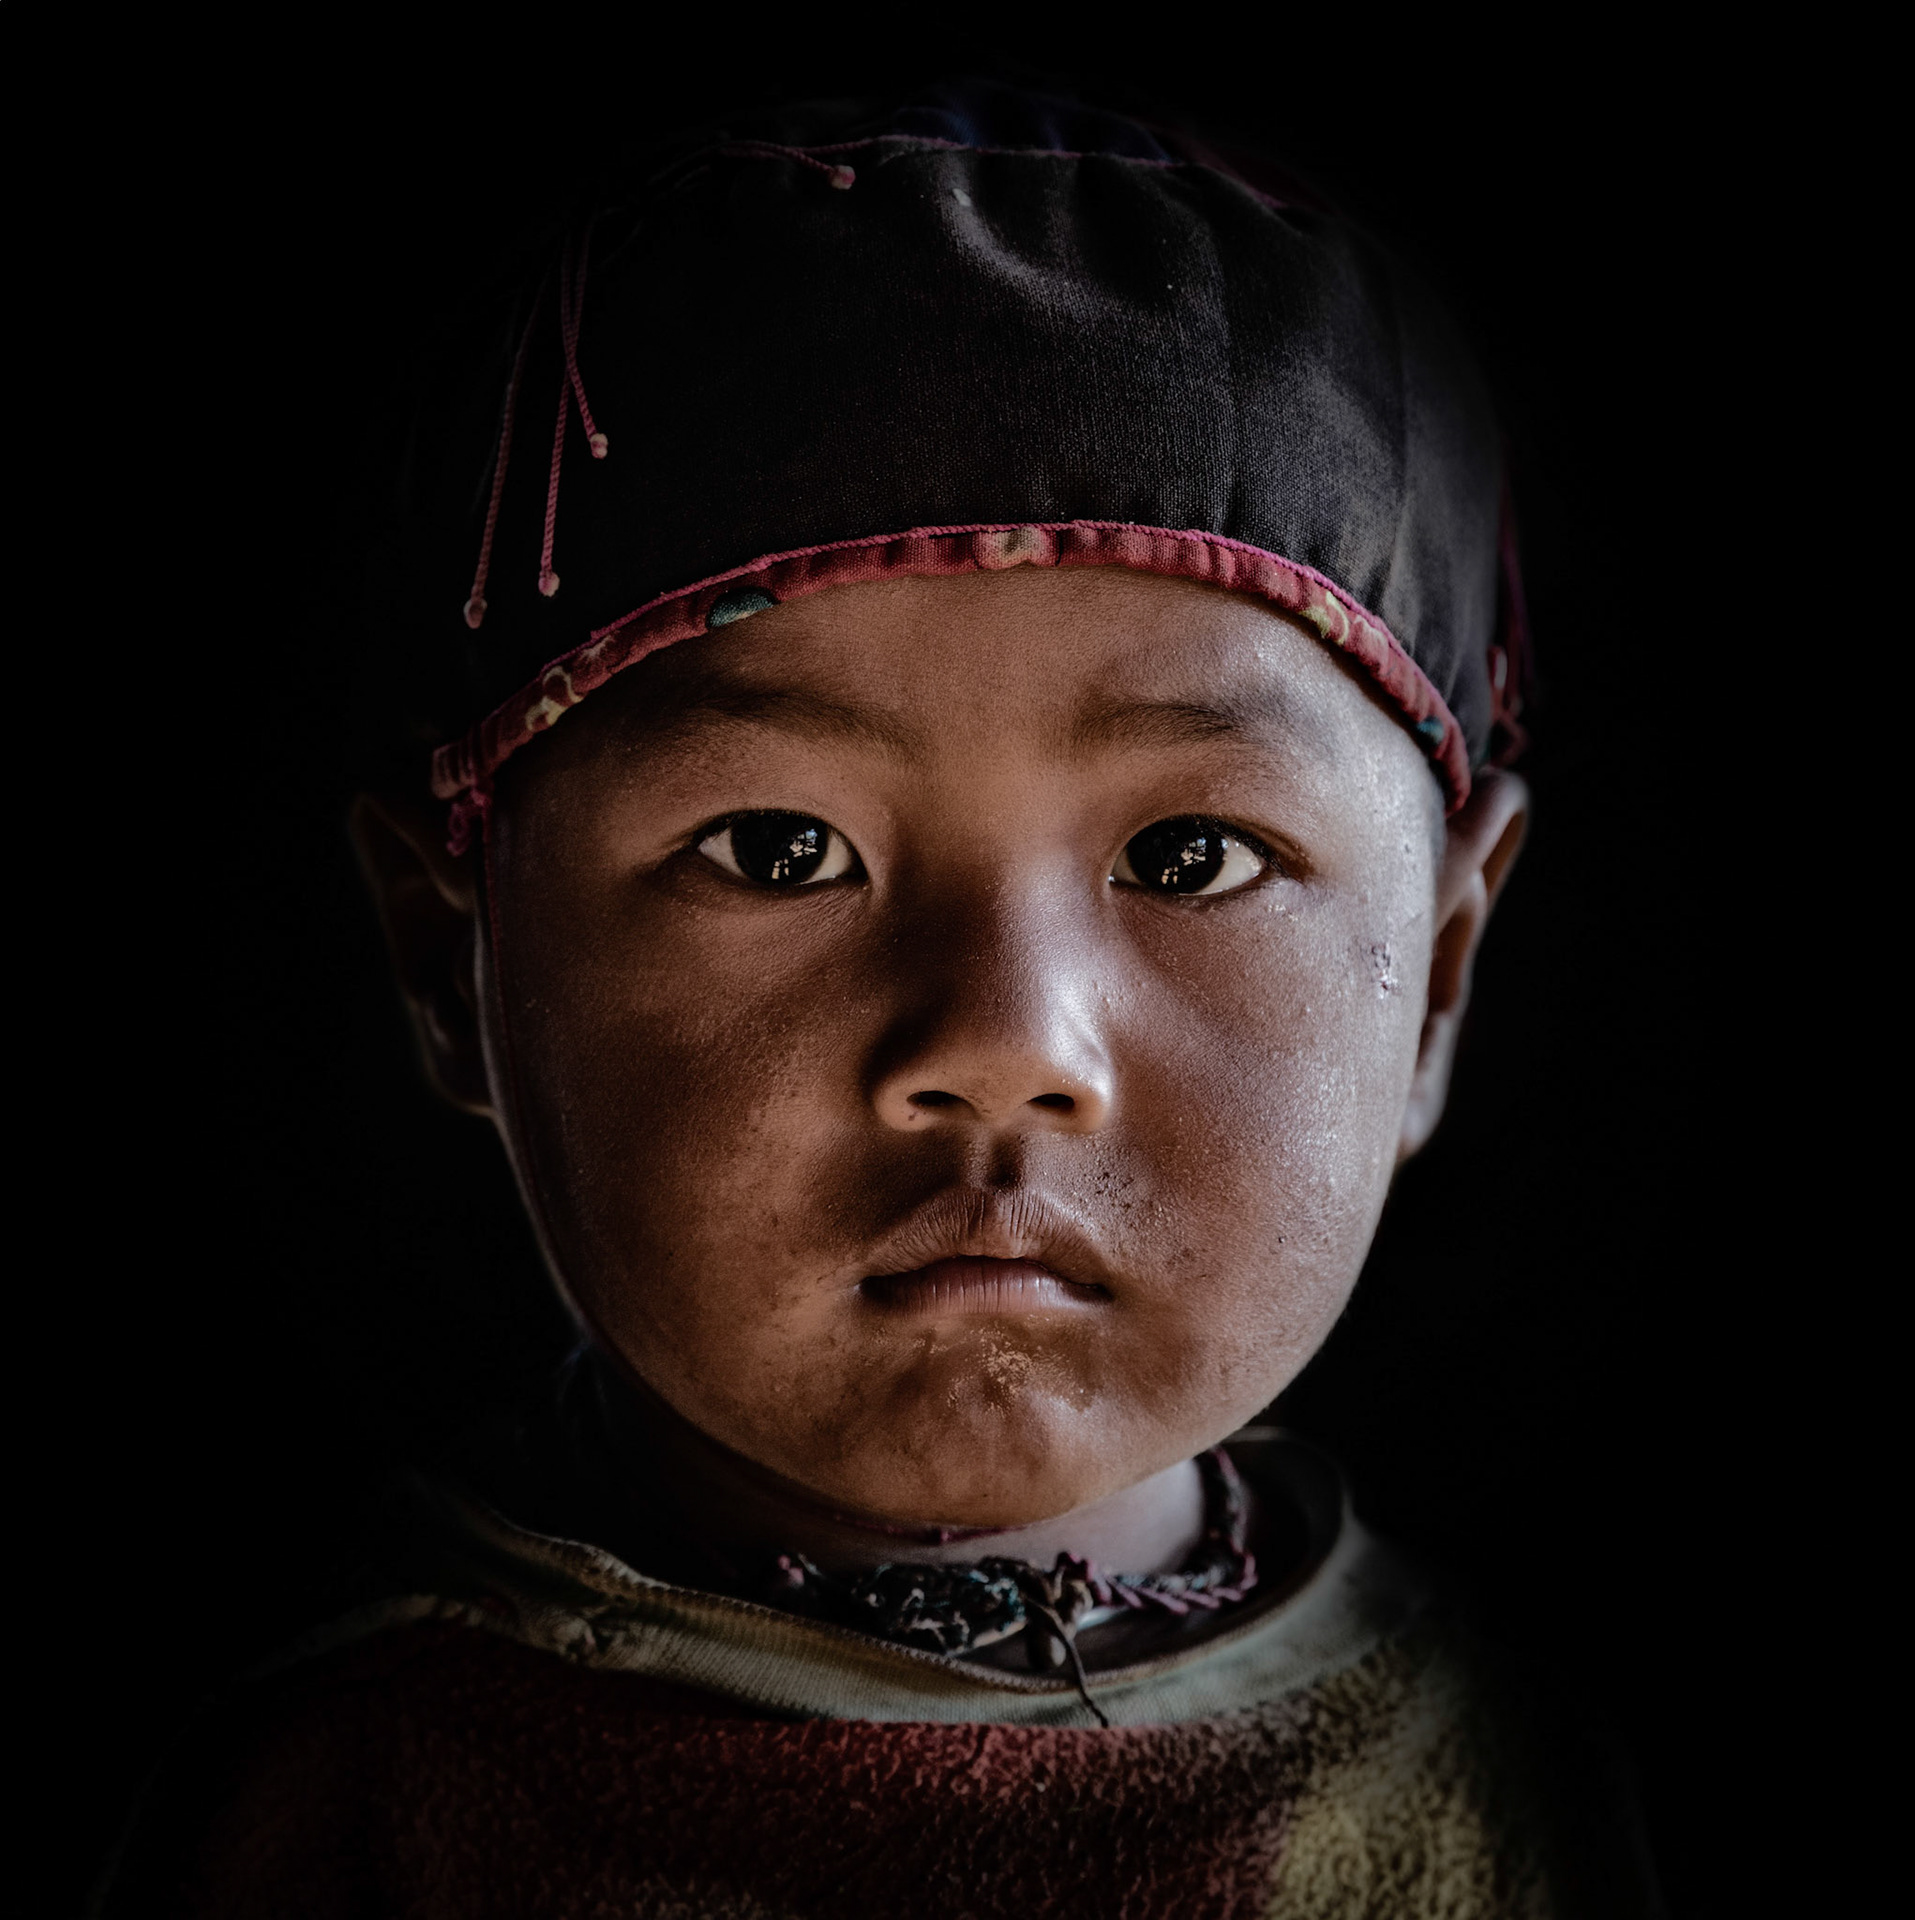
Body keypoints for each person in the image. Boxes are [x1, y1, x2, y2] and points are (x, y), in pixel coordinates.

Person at [103, 79, 1657, 1918]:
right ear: (460, 964)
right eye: (776, 850)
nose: (1002, 1041)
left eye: (1190, 859)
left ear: (1444, 979)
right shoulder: (296, 1822)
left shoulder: (1552, 1795)